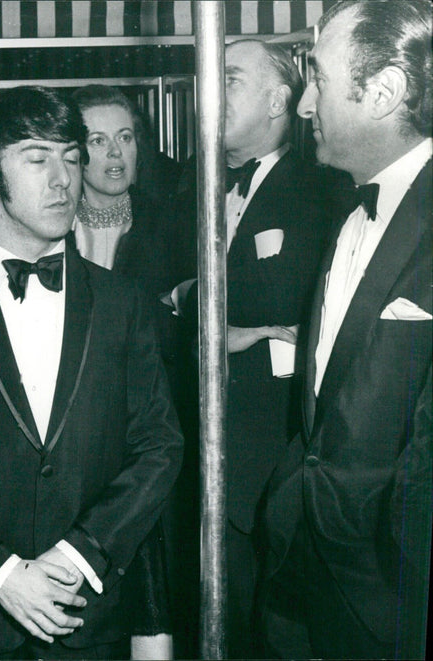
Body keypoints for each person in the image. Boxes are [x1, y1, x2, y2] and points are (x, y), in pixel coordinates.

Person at [0, 86, 184, 659]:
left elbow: (158, 447)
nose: (64, 179)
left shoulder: (122, 303)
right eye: (37, 158)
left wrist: (80, 554)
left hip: (90, 622)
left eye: (72, 157)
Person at [260, 1, 432, 658]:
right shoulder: (347, 214)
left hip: (391, 598)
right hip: (306, 574)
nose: (304, 107)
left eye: (320, 82)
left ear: (384, 92)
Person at [170, 39, 331, 658]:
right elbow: (157, 305)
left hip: (273, 472)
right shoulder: (189, 184)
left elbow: (311, 328)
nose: (210, 93)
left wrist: (240, 335)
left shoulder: (324, 190)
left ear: (277, 101)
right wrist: (205, 313)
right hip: (193, 470)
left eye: (229, 79)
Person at [71, 83, 190, 660]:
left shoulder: (174, 225)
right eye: (97, 140)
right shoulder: (49, 229)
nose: (116, 154)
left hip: (147, 442)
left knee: (151, 598)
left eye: (125, 138)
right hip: (70, 448)